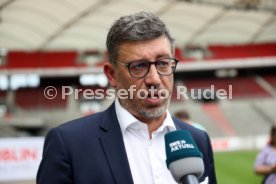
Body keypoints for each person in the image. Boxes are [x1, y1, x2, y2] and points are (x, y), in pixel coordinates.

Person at [37, 11, 217, 184]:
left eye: (163, 63)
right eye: (138, 66)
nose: (154, 79)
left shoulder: (198, 139)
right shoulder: (69, 144)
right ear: (112, 75)